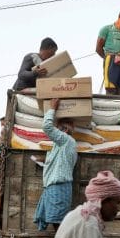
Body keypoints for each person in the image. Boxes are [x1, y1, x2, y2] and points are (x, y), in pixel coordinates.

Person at [33, 99, 77, 231]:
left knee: (58, 224)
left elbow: (47, 127)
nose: (56, 130)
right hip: (53, 188)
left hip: (58, 188)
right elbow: (57, 164)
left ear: (64, 129)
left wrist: (52, 108)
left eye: (58, 127)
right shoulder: (61, 145)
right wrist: (43, 160)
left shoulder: (66, 140)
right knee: (56, 223)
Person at [96, 8, 120, 95]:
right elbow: (98, 48)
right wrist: (108, 58)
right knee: (111, 87)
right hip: (110, 60)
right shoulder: (107, 29)